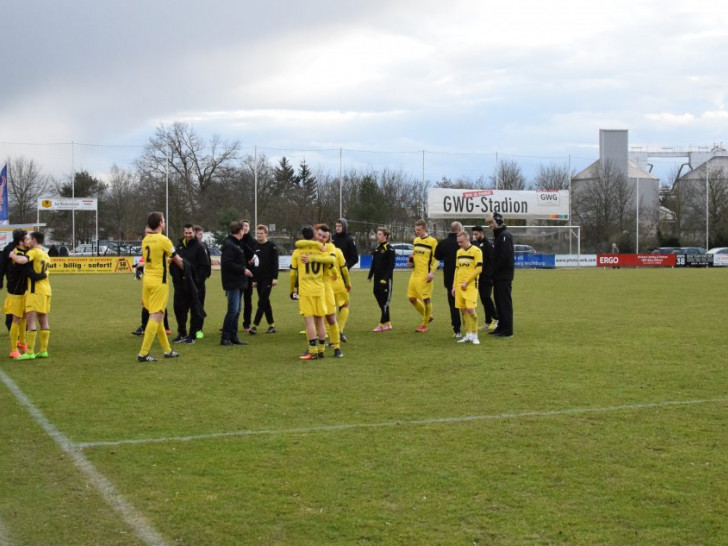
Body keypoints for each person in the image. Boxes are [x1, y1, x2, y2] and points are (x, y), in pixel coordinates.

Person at [137, 212, 184, 362]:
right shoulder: (164, 240)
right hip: (159, 282)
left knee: (159, 316)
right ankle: (143, 353)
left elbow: (159, 258)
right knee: (156, 316)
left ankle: (167, 350)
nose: (164, 222)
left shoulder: (145, 240)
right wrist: (190, 269)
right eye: (163, 220)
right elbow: (178, 260)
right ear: (160, 223)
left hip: (147, 280)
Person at [289, 225, 335, 360]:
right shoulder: (321, 250)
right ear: (314, 235)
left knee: (309, 321)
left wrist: (292, 290)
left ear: (302, 236)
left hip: (306, 290)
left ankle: (312, 350)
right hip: (320, 289)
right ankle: (321, 349)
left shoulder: (297, 252)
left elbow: (293, 275)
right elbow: (331, 262)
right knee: (320, 320)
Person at [10, 231, 52, 359]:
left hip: (35, 291)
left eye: (30, 239)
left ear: (34, 240)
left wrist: (12, 255)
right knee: (44, 319)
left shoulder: (33, 252)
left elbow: (23, 260)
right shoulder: (46, 254)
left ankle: (29, 352)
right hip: (47, 290)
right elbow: (46, 272)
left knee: (31, 321)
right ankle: (43, 350)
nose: (29, 241)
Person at [171, 223, 210, 344]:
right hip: (180, 285)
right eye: (186, 233)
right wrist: (176, 278)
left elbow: (205, 268)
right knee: (179, 309)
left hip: (195, 286)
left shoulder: (199, 247)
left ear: (193, 232)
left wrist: (196, 281)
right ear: (183, 233)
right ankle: (182, 333)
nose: (188, 235)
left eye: (190, 233)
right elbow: (173, 264)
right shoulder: (179, 246)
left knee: (195, 311)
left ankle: (192, 335)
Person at [220, 221, 253, 346]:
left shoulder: (237, 244)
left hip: (239, 282)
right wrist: (243, 270)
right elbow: (227, 263)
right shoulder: (230, 245)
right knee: (233, 310)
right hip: (232, 282)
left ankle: (233, 336)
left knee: (237, 310)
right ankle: (225, 337)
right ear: (240, 231)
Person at [1, 229, 30, 356]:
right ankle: (13, 349)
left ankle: (22, 342)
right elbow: (4, 267)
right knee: (16, 319)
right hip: (15, 290)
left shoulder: (29, 252)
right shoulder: (12, 251)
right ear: (20, 241)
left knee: (24, 318)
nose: (29, 241)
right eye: (27, 239)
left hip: (27, 291)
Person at [452, 230, 483, 345]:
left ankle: (475, 335)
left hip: (470, 285)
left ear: (467, 239)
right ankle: (468, 334)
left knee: (471, 309)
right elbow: (457, 269)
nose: (459, 244)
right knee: (463, 310)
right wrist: (454, 286)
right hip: (459, 285)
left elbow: (479, 269)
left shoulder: (476, 251)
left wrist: (466, 282)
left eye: (461, 242)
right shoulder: (459, 252)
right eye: (458, 242)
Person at [407, 219, 439, 332]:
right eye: (416, 230)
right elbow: (414, 256)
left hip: (425, 275)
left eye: (419, 230)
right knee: (411, 298)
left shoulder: (432, 241)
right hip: (414, 274)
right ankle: (428, 316)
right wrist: (411, 262)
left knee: (426, 300)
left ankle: (424, 324)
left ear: (425, 229)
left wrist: (432, 273)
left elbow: (436, 259)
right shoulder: (416, 240)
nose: (417, 232)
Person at [486, 211, 514, 338]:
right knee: (499, 302)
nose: (490, 225)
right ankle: (501, 327)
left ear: (497, 221)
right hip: (498, 276)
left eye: (491, 222)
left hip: (503, 276)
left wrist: (492, 271)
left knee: (504, 303)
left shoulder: (504, 235)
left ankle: (507, 331)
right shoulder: (499, 235)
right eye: (488, 223)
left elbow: (502, 257)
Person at [435, 221, 463, 338]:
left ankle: (457, 330)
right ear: (459, 230)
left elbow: (437, 256)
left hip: (450, 279)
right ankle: (470, 328)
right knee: (466, 304)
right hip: (464, 278)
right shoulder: (464, 243)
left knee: (453, 305)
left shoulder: (444, 243)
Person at [249, 224, 279, 335]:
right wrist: (254, 280)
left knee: (261, 301)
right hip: (258, 279)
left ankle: (255, 326)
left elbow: (275, 263)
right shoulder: (255, 246)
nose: (259, 235)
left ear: (266, 234)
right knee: (265, 301)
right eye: (257, 233)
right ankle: (271, 325)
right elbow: (254, 264)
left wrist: (275, 278)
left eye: (261, 233)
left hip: (268, 278)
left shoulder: (271, 246)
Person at [368, 226, 396, 331]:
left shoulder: (390, 249)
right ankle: (388, 323)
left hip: (385, 280)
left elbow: (391, 266)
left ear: (385, 236)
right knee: (378, 297)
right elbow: (374, 264)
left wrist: (386, 278)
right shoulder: (377, 248)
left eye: (380, 234)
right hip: (376, 279)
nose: (377, 236)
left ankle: (381, 324)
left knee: (384, 302)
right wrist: (370, 275)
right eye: (377, 234)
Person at [472, 225, 498, 331]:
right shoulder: (476, 244)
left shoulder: (488, 245)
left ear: (482, 233)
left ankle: (497, 318)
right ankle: (488, 321)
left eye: (476, 234)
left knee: (486, 298)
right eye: (473, 234)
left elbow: (491, 262)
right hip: (479, 277)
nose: (474, 236)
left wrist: (488, 275)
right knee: (483, 299)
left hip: (487, 277)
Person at [193, 225, 211, 337]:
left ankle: (199, 330)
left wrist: (207, 273)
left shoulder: (204, 245)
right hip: (191, 281)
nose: (201, 236)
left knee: (200, 306)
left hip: (201, 282)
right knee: (191, 306)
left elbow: (207, 261)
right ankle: (190, 330)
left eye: (202, 234)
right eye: (199, 234)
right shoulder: (191, 247)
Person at [239, 219, 257, 333]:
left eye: (246, 225)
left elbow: (256, 257)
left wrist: (252, 261)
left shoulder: (253, 241)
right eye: (242, 226)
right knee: (235, 301)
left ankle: (247, 324)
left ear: (249, 227)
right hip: (238, 274)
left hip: (249, 275)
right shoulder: (236, 240)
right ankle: (231, 323)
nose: (245, 227)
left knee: (247, 300)